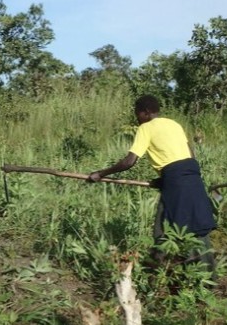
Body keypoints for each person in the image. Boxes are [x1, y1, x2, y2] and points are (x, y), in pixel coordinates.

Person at [88, 95, 216, 274]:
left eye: (137, 113)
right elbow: (189, 153)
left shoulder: (146, 128)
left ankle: (158, 271)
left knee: (165, 227)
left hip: (177, 179)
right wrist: (166, 178)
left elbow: (129, 161)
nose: (136, 118)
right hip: (192, 174)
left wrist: (100, 174)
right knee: (196, 222)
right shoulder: (174, 124)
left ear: (146, 112)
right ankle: (198, 274)